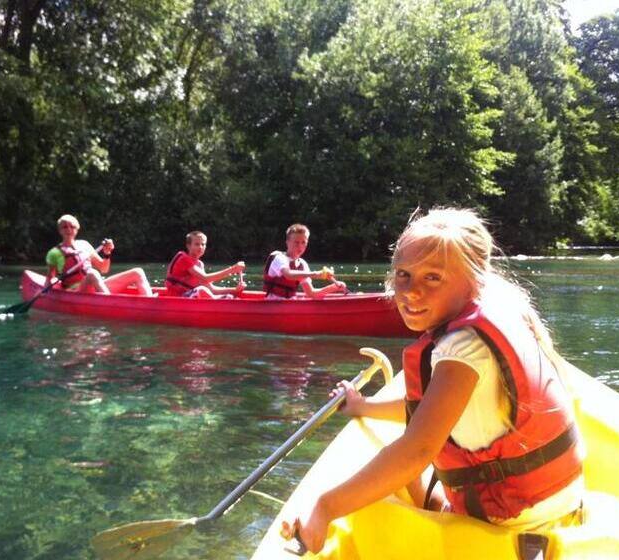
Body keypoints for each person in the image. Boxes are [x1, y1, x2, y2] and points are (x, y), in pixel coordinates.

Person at [281, 208, 584, 553]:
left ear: (473, 277)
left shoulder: (462, 348)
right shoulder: (500, 304)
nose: (411, 292)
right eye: (404, 275)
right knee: (398, 465)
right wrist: (363, 406)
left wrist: (325, 508)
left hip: (518, 512)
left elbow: (420, 449)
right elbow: (438, 409)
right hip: (557, 494)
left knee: (379, 497)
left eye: (433, 278)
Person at [45, 214, 153, 296]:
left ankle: (150, 302)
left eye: (72, 226)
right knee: (92, 274)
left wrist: (107, 253)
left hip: (96, 285)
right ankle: (110, 304)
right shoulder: (54, 253)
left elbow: (104, 269)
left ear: (76, 229)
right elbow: (50, 278)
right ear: (60, 230)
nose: (69, 229)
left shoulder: (84, 245)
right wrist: (48, 290)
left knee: (137, 272)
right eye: (65, 227)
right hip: (75, 291)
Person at [263, 223, 347, 299]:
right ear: (287, 242)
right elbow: (288, 275)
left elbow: (311, 294)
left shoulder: (302, 264)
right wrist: (316, 274)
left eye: (303, 242)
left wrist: (333, 287)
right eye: (296, 242)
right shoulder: (278, 257)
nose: (300, 246)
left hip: (290, 305)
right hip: (273, 305)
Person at [165, 231, 246, 298]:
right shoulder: (183, 258)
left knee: (227, 295)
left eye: (203, 244)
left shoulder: (200, 264)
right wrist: (232, 269)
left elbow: (212, 289)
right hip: (179, 299)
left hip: (191, 296)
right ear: (188, 246)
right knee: (201, 290)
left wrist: (235, 290)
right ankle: (220, 302)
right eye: (197, 244)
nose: (200, 247)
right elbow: (205, 278)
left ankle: (222, 301)